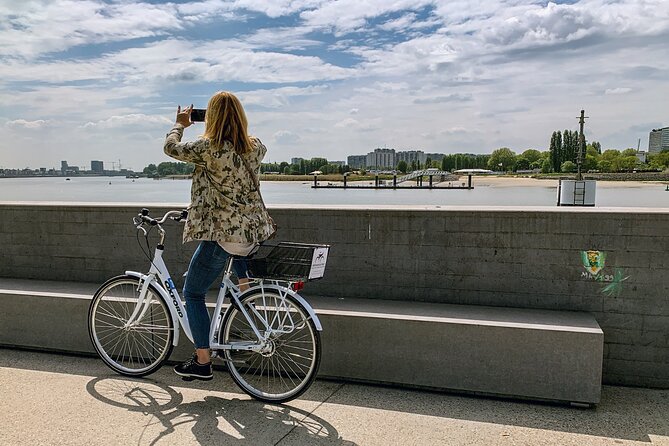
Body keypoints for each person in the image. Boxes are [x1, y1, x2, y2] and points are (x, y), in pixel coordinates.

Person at [163, 91, 275, 381]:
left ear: (210, 117)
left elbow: (170, 148)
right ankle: (243, 283)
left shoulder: (208, 148)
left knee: (193, 292)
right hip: (251, 232)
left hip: (223, 236)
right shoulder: (257, 147)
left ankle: (202, 361)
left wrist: (180, 124)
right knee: (232, 253)